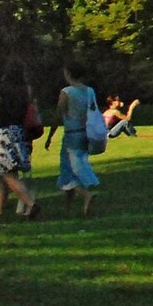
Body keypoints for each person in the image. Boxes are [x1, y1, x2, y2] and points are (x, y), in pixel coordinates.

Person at [0, 85, 40, 221]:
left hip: (5, 133)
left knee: (7, 173)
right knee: (2, 172)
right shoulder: (26, 90)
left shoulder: (1, 90)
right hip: (21, 132)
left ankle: (31, 204)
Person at [51, 65, 100, 216]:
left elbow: (59, 114)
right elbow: (93, 111)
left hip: (71, 134)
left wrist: (50, 135)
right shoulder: (89, 91)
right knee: (77, 165)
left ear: (69, 74)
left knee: (68, 171)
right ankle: (68, 207)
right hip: (85, 134)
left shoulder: (66, 92)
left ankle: (86, 196)